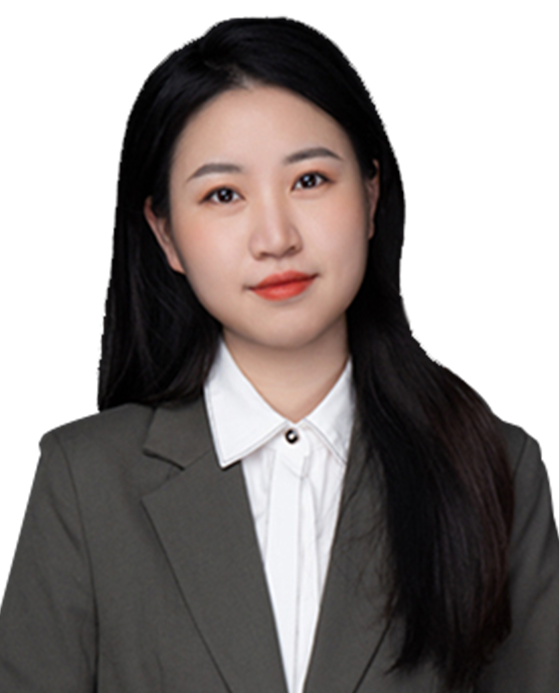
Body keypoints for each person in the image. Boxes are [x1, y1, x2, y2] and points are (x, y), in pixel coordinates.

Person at [1, 16, 558, 693]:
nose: (275, 237)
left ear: (370, 193)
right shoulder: (87, 483)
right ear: (166, 234)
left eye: (310, 180)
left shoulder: (490, 466)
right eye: (223, 194)